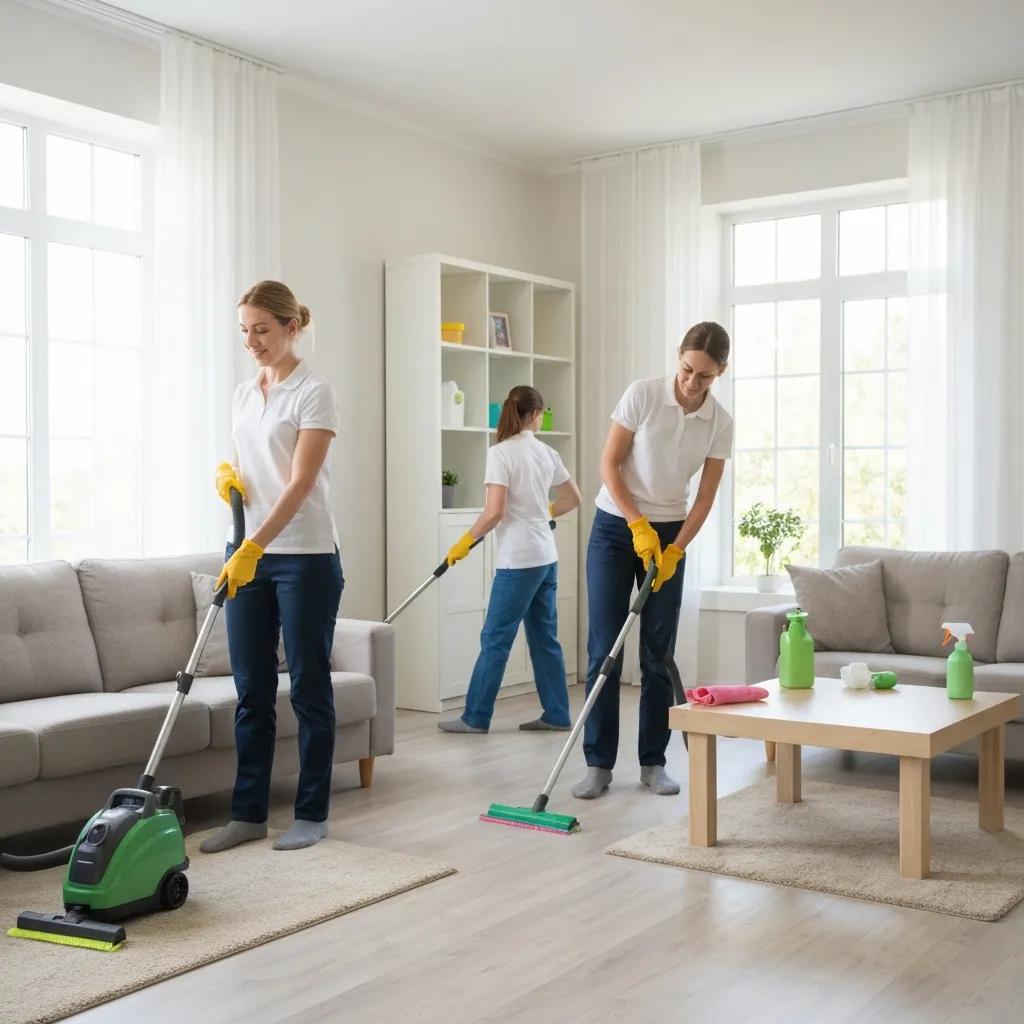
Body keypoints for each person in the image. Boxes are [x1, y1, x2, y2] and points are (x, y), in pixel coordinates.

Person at [201, 280, 343, 854]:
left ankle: (311, 813)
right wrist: (227, 479)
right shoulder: (243, 393)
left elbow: (300, 482)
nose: (252, 341)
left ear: (291, 327)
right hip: (249, 556)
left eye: (261, 329)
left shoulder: (315, 392)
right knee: (251, 690)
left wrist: (254, 546)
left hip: (305, 558)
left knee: (309, 686)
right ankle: (248, 814)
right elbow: (246, 466)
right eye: (244, 331)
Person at [572, 322, 733, 800]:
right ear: (678, 358)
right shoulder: (642, 395)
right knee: (605, 647)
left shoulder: (720, 422)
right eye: (686, 369)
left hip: (671, 533)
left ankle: (653, 762)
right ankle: (598, 763)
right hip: (615, 526)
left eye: (704, 376)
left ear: (720, 371)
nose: (691, 382)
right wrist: (637, 524)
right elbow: (608, 463)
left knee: (658, 652)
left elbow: (704, 498)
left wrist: (675, 549)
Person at [439, 385, 582, 734]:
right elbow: (573, 498)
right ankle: (557, 713)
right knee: (544, 637)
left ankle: (475, 717)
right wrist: (544, 511)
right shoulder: (546, 452)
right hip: (546, 556)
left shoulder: (500, 453)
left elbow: (494, 512)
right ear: (535, 415)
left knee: (496, 637)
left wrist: (463, 542)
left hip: (518, 560)